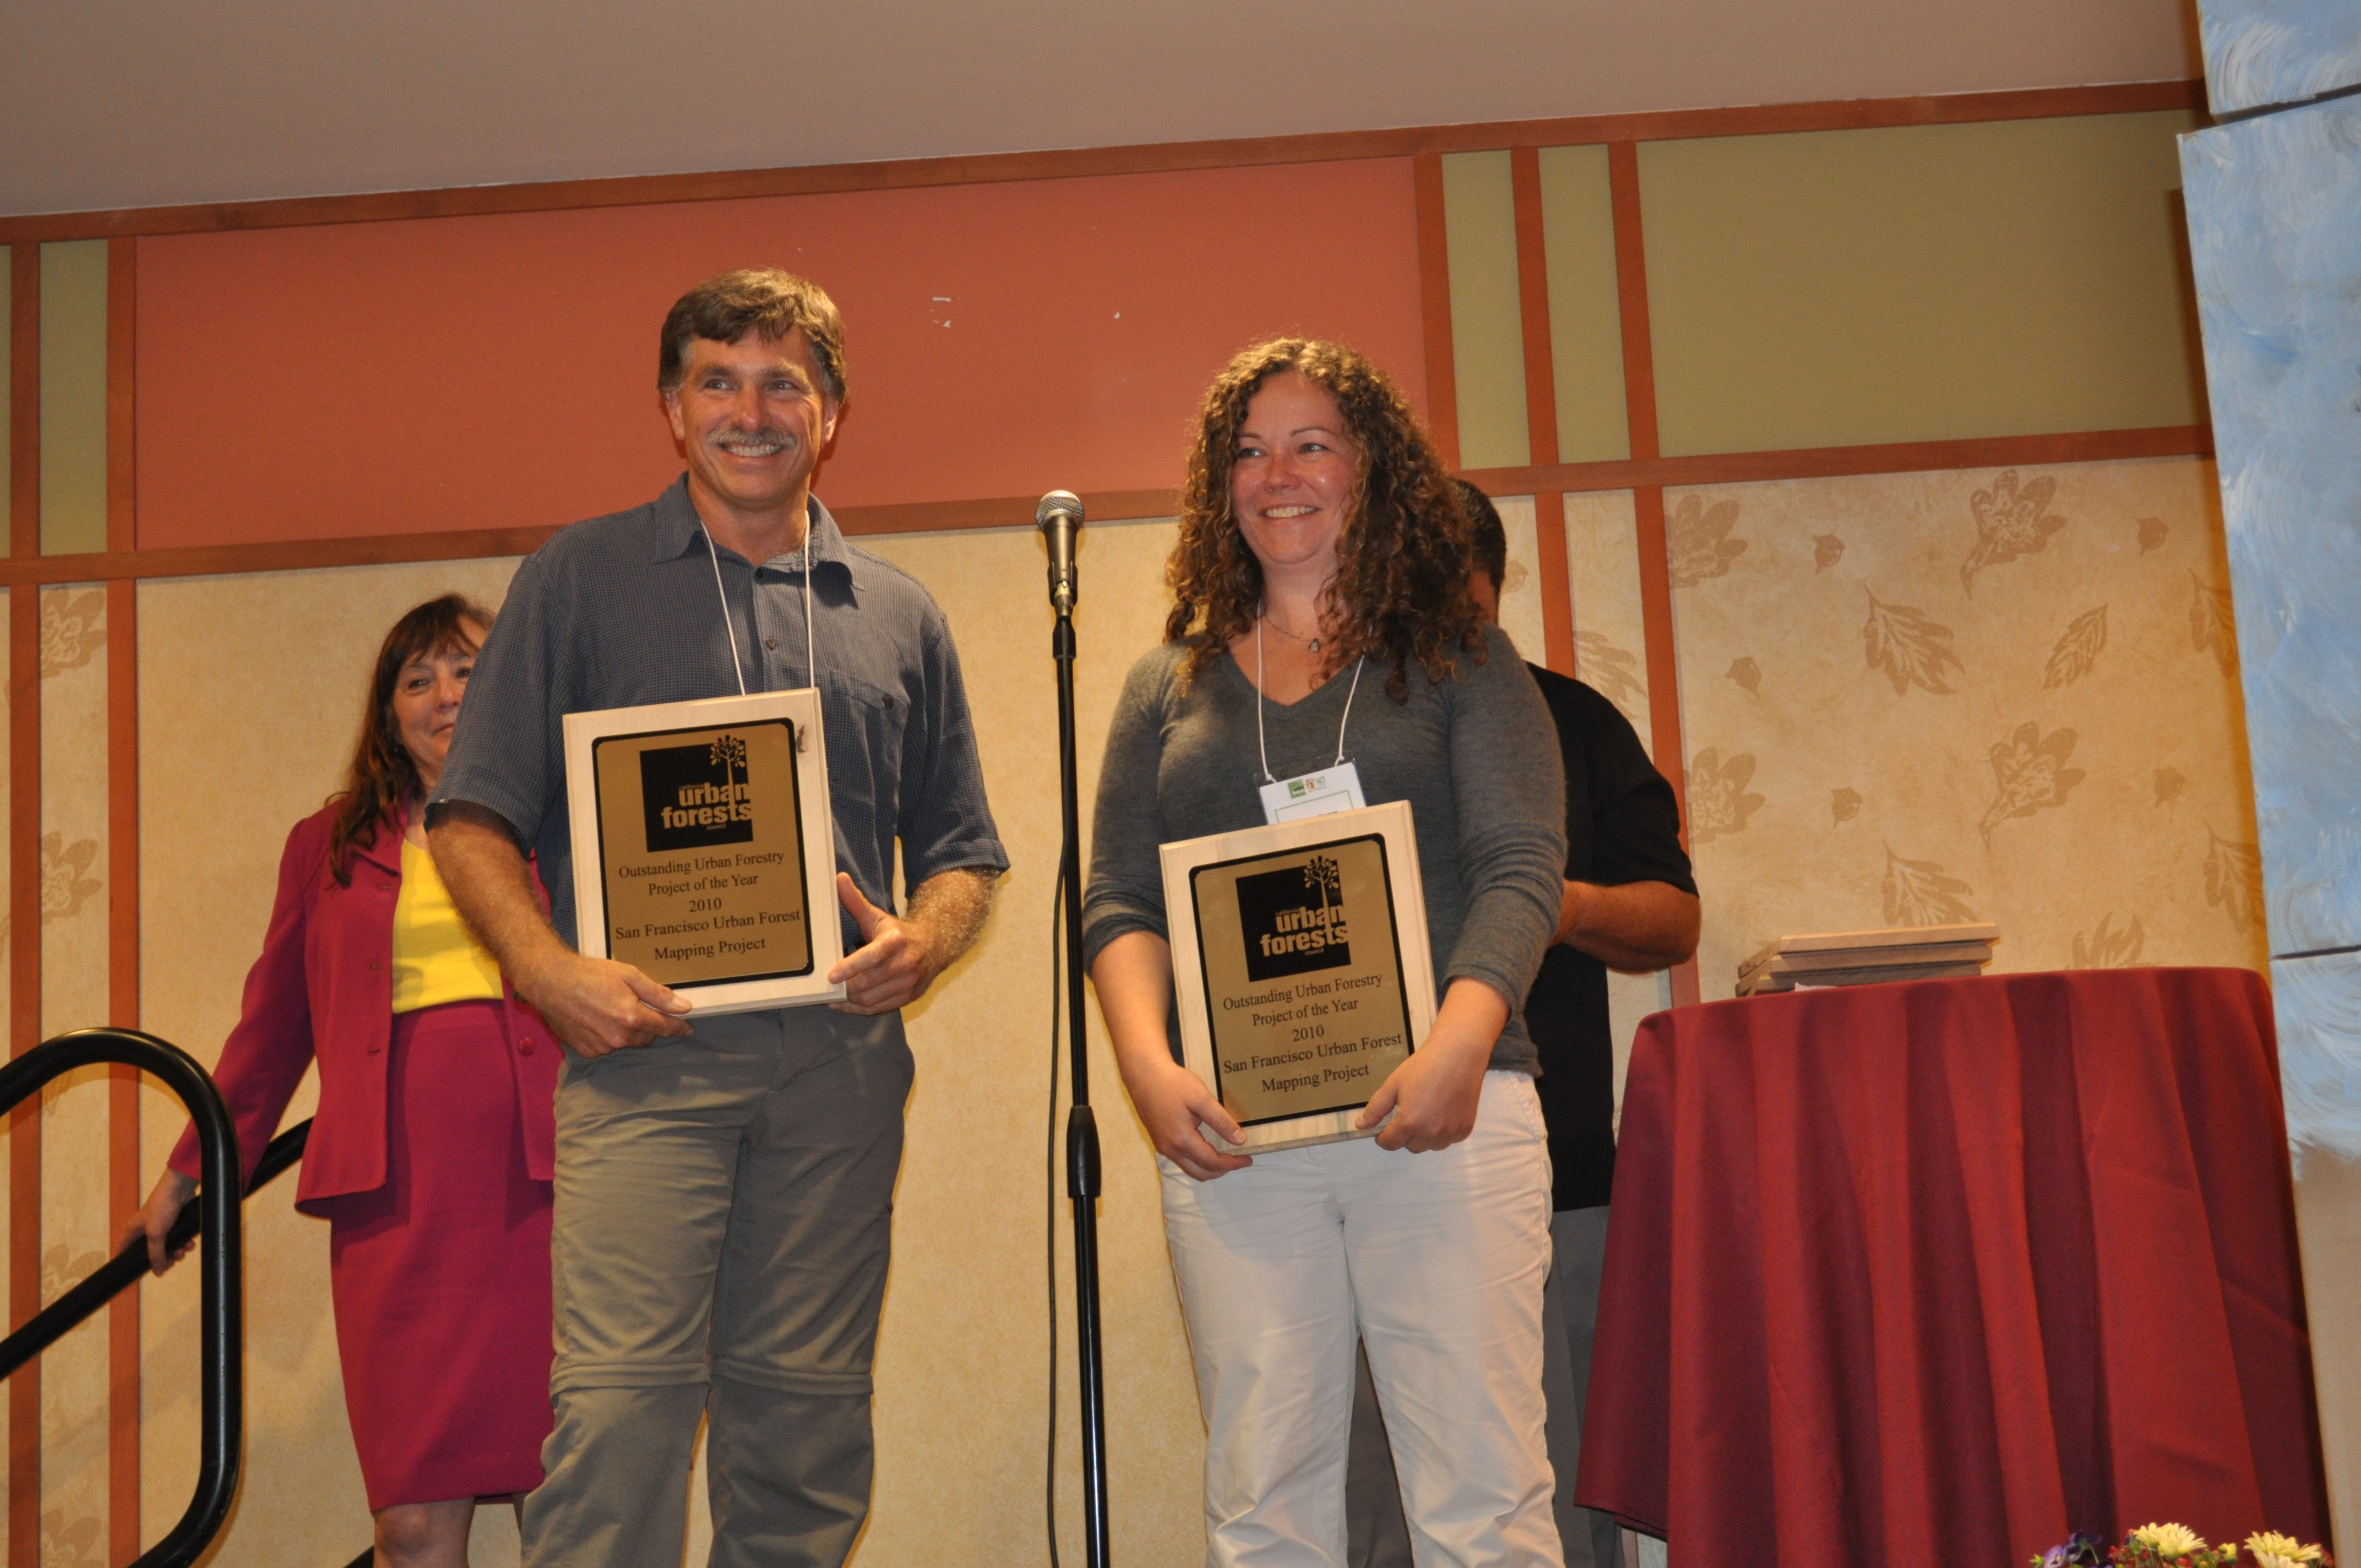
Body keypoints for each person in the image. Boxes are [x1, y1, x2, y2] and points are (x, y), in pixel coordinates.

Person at [425, 268, 1006, 1568]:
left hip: (837, 1072)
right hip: (642, 1062)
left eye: (782, 381)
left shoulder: (899, 611)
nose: (752, 409)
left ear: (832, 413)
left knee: (805, 1431)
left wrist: (927, 936)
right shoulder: (578, 577)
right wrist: (547, 969)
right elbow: (469, 817)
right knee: (620, 1421)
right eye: (718, 380)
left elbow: (963, 851)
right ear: (672, 412)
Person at [1085, 338, 1571, 1566]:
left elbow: (1521, 867)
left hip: (1447, 1117)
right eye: (1247, 450)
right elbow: (1116, 902)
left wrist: (1461, 1044)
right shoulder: (1165, 685)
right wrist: (1146, 1068)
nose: (1276, 474)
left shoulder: (1461, 658)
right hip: (1237, 1141)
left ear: (1373, 472)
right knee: (1263, 1498)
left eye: (1311, 444)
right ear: (1218, 486)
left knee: (1481, 1494)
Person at [129, 594, 557, 1568]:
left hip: (552, 1189)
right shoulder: (324, 848)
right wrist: (192, 1170)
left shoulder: (568, 821)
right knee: (409, 1525)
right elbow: (273, 1032)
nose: (446, 695)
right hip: (395, 1203)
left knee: (568, 1503)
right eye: (419, 679)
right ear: (387, 712)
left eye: (468, 670)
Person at [1345, 482, 1700, 1568]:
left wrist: (1553, 902)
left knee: (1543, 1496)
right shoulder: (1338, 729)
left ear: (1485, 588)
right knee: (1378, 1499)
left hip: (1561, 1180)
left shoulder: (1572, 719)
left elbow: (1672, 916)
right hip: (1360, 1160)